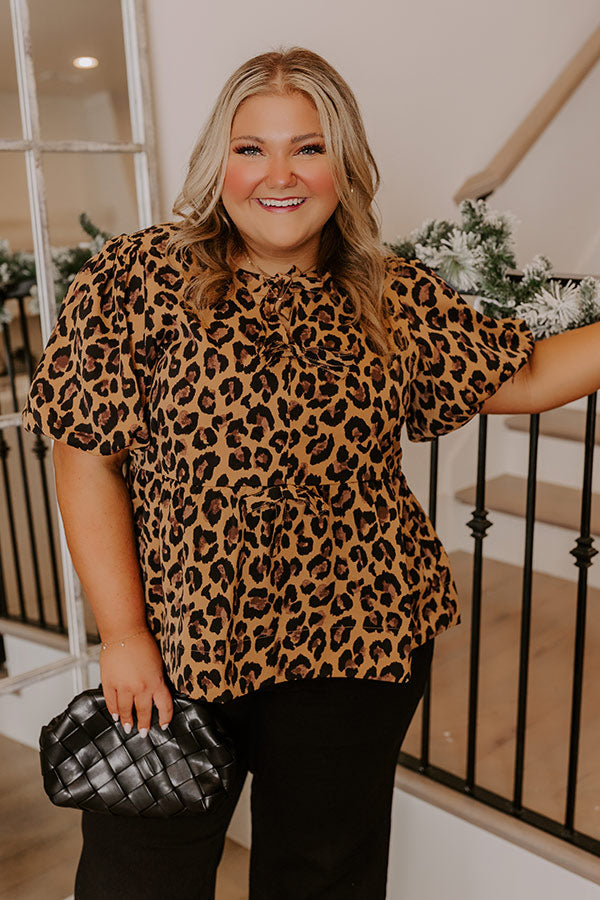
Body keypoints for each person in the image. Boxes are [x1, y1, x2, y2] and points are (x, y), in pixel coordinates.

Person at [21, 45, 600, 900]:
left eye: (310, 147)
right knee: (136, 880)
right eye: (252, 148)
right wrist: (126, 635)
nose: (279, 175)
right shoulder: (136, 278)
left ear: (344, 164)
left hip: (355, 639)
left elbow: (529, 375)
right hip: (179, 641)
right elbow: (85, 457)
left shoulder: (391, 294)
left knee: (325, 876)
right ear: (219, 162)